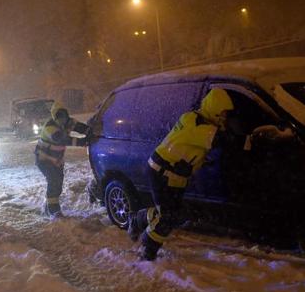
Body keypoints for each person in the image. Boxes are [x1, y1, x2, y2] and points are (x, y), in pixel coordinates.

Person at [127, 88, 285, 261]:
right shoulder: (198, 125)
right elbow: (226, 141)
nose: (225, 117)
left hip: (175, 176)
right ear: (214, 109)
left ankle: (138, 219)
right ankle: (147, 251)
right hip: (162, 173)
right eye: (223, 113)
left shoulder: (194, 118)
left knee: (173, 214)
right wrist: (254, 139)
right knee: (167, 218)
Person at [35, 102, 91, 217]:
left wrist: (91, 132)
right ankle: (54, 210)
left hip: (56, 160)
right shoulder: (50, 127)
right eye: (59, 117)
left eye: (64, 116)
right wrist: (82, 142)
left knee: (58, 182)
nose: (62, 119)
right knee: (54, 181)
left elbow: (80, 127)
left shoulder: (68, 121)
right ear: (55, 117)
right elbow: (62, 139)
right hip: (44, 159)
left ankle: (48, 207)